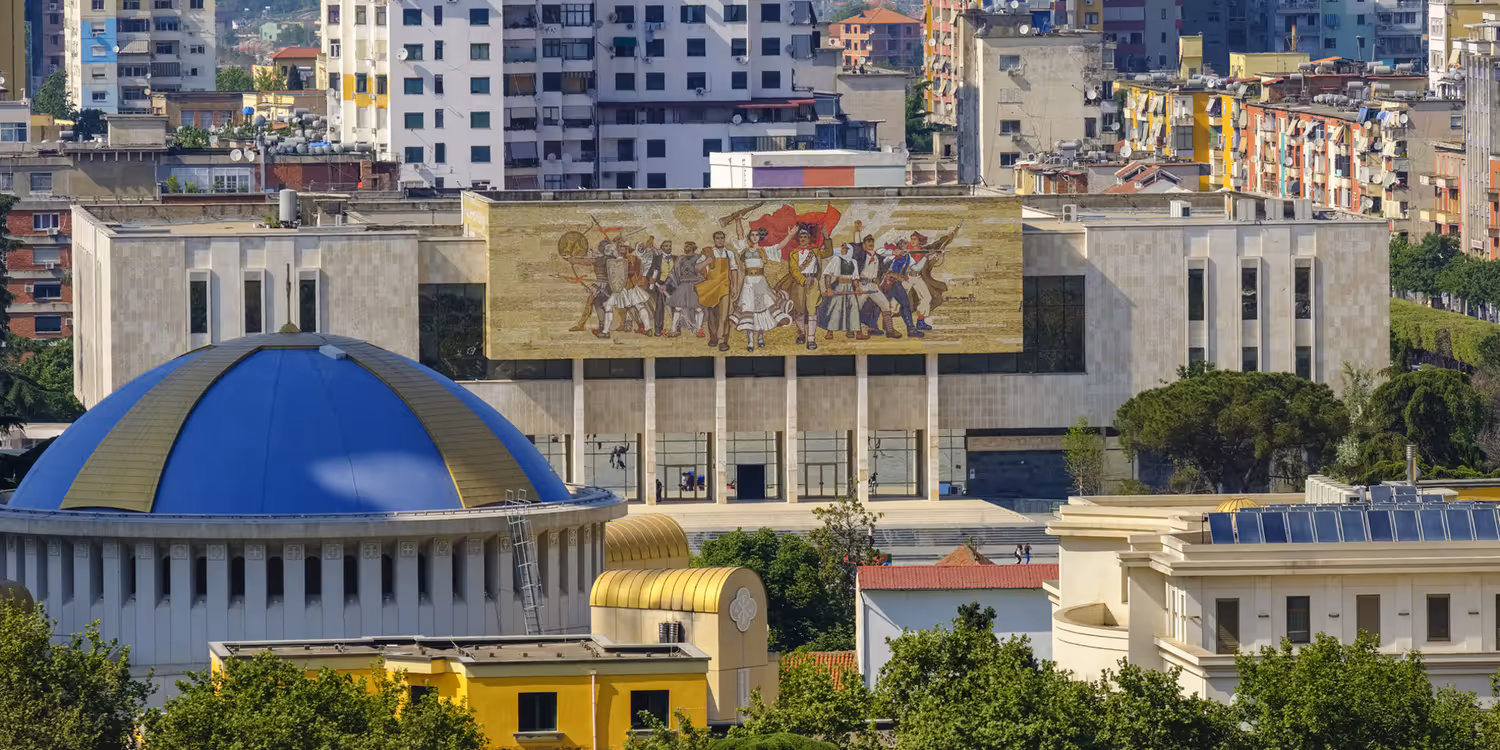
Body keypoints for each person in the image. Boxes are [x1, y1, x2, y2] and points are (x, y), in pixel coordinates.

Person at [730, 232, 793, 351]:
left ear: (759, 237)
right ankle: (750, 341)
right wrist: (738, 221)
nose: (755, 237)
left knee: (762, 309)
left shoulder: (764, 250)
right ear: (749, 237)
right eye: (752, 235)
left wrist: (790, 235)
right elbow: (739, 234)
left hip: (761, 283)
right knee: (749, 309)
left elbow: (780, 246)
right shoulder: (744, 250)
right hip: (748, 283)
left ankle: (760, 338)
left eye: (757, 235)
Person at [771, 227, 823, 348]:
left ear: (809, 239)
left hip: (813, 282)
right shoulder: (794, 253)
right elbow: (793, 270)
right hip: (799, 283)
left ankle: (811, 339)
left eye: (805, 237)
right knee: (799, 310)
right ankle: (802, 333)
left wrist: (826, 238)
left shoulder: (816, 251)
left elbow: (829, 252)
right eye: (801, 237)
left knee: (812, 310)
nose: (803, 239)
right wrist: (803, 280)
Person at [697, 230, 743, 352]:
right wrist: (707, 262)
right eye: (718, 238)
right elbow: (697, 267)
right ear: (714, 239)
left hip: (724, 287)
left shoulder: (729, 254)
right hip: (711, 288)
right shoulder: (708, 252)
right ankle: (713, 338)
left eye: (722, 238)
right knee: (712, 315)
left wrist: (734, 286)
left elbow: (734, 270)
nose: (720, 240)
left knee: (724, 315)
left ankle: (723, 340)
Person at [817, 243, 865, 338]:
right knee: (836, 307)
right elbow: (828, 274)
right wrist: (829, 288)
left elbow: (855, 278)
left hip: (850, 287)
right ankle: (830, 331)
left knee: (854, 307)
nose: (844, 250)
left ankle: (857, 332)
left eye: (846, 249)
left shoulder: (853, 262)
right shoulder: (836, 259)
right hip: (839, 286)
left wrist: (857, 288)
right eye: (843, 248)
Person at [664, 241, 706, 337]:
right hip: (683, 285)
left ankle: (699, 330)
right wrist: (665, 285)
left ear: (693, 247)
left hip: (695, 286)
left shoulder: (699, 258)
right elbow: (673, 272)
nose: (685, 248)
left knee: (698, 308)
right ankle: (673, 330)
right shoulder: (680, 258)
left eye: (687, 246)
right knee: (678, 308)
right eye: (685, 246)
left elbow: (704, 271)